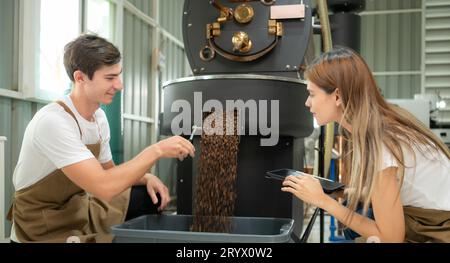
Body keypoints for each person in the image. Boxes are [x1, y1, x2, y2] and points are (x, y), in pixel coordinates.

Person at [8, 34, 195, 243]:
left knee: (150, 196)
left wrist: (146, 178)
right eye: (110, 78)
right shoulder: (53, 122)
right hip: (43, 223)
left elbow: (110, 173)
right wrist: (157, 151)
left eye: (119, 75)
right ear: (80, 78)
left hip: (79, 208)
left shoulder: (98, 117)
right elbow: (104, 188)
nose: (120, 85)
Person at [282, 47, 450, 243]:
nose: (307, 103)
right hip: (429, 216)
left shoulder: (379, 143)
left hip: (439, 228)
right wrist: (340, 191)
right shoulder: (379, 124)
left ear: (337, 96)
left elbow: (391, 239)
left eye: (311, 94)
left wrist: (322, 200)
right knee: (356, 212)